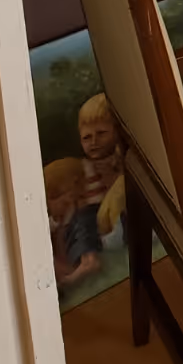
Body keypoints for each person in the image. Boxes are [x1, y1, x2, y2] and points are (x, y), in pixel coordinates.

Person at [45, 157, 103, 288]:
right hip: (70, 263)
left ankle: (89, 260)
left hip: (83, 256)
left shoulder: (79, 213)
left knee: (82, 222)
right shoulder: (56, 223)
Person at [78, 93, 126, 238]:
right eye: (87, 137)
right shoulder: (83, 168)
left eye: (101, 133)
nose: (94, 142)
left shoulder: (122, 159)